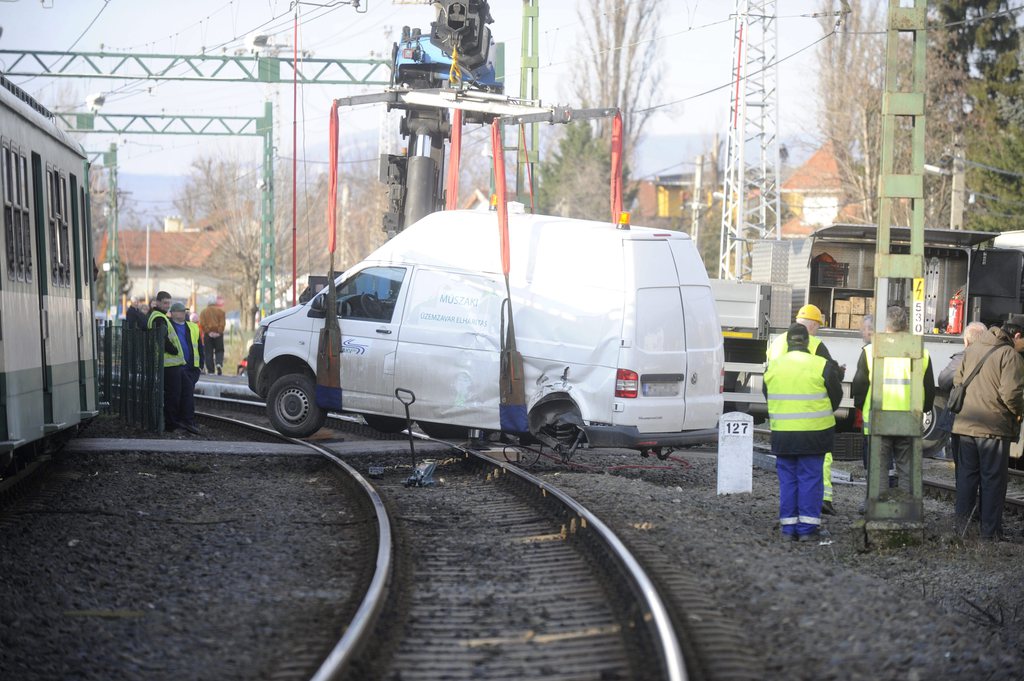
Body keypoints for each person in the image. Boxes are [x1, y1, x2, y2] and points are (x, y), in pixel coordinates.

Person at [763, 323, 843, 542]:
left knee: (788, 480)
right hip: (814, 435)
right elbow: (835, 398)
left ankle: (788, 529)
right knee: (810, 479)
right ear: (808, 342)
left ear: (787, 343)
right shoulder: (821, 365)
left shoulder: (773, 367)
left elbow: (767, 396)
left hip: (783, 435)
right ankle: (807, 529)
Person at [850, 306, 935, 501]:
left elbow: (859, 387)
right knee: (906, 467)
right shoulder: (921, 352)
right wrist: (924, 410)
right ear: (906, 325)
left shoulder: (871, 350)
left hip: (879, 419)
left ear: (884, 325)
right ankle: (905, 507)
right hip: (909, 419)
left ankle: (876, 507)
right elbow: (929, 390)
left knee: (878, 468)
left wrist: (864, 409)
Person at [951, 316, 1024, 540]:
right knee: (993, 481)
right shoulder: (1009, 355)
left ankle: (962, 530)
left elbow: (957, 380)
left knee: (966, 479)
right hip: (992, 428)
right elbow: (1011, 393)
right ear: (1017, 336)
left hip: (965, 426)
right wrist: (1019, 412)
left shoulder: (973, 349)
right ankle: (989, 532)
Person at [937, 321, 989, 464]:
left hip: (962, 420)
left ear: (966, 341)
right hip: (988, 422)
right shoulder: (995, 358)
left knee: (964, 465)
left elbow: (943, 381)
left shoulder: (961, 358)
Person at [147, 292, 186, 432]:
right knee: (172, 396)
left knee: (172, 395)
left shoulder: (159, 316)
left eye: (169, 303)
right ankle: (171, 425)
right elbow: (161, 339)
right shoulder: (159, 318)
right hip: (169, 364)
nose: (168, 306)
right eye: (165, 303)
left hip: (169, 364)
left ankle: (171, 422)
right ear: (157, 302)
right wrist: (174, 350)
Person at [169, 302, 202, 435]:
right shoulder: (169, 326)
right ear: (173, 313)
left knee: (187, 394)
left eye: (184, 311)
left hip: (190, 367)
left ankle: (186, 421)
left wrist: (200, 365)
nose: (184, 313)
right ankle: (183, 421)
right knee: (178, 395)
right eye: (181, 311)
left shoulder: (193, 327)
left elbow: (199, 347)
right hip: (176, 366)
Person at [199, 296, 227, 375]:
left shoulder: (203, 312)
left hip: (208, 335)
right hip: (219, 334)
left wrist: (208, 331)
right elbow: (223, 323)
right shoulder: (221, 311)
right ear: (215, 303)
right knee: (219, 350)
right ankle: (219, 363)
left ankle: (211, 370)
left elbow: (202, 323)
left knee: (208, 352)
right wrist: (219, 331)